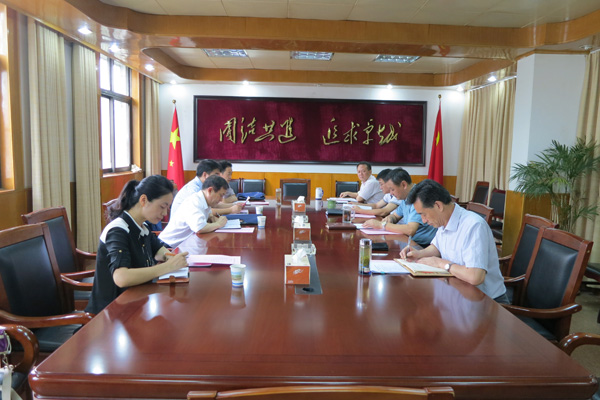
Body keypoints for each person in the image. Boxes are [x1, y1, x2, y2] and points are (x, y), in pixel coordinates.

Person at [86, 175, 189, 314]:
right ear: (143, 200)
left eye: (167, 208)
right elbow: (121, 278)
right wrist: (167, 267)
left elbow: (158, 248)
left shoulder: (141, 226)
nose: (165, 213)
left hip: (137, 301)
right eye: (162, 207)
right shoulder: (117, 230)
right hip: (112, 311)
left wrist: (168, 257)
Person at [399, 179, 508, 303]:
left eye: (424, 214)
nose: (423, 220)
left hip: (486, 301)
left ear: (438, 206)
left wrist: (441, 263)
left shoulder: (473, 225)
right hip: (458, 292)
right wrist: (418, 253)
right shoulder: (443, 220)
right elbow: (437, 247)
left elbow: (475, 277)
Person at [363, 168, 437, 246]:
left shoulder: (418, 198)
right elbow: (395, 216)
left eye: (392, 189)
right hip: (409, 241)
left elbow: (410, 230)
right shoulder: (406, 197)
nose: (391, 193)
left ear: (403, 185)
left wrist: (382, 225)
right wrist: (390, 218)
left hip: (422, 246)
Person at [159, 175, 230, 248]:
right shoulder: (194, 202)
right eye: (221, 195)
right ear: (210, 190)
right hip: (168, 246)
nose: (221, 200)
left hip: (184, 245)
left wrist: (212, 218)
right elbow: (200, 228)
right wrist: (218, 224)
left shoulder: (205, 200)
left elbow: (207, 216)